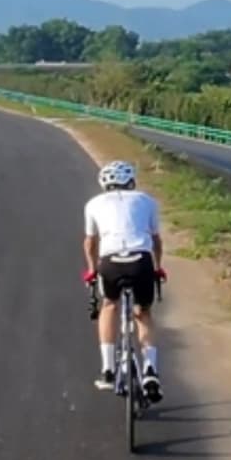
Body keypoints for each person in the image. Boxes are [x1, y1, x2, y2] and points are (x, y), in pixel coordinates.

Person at [81, 160, 164, 400]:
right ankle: (150, 370)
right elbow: (156, 240)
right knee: (143, 312)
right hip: (141, 261)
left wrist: (91, 270)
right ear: (131, 182)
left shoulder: (93, 204)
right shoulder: (147, 201)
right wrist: (158, 268)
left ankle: (108, 369)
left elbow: (90, 242)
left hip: (110, 262)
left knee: (109, 305)